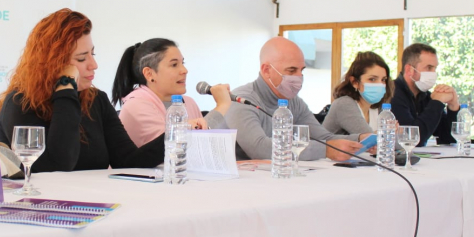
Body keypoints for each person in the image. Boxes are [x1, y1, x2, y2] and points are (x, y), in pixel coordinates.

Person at [0, 9, 164, 172]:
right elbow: (57, 165)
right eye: (82, 58)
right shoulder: (20, 102)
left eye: (93, 54)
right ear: (54, 63)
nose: (93, 65)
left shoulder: (96, 100)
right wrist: (65, 87)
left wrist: (178, 135)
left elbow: (127, 160)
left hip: (92, 199)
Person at [225, 37, 368, 161]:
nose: (299, 77)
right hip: (238, 185)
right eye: (292, 70)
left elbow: (323, 138)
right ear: (267, 70)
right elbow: (259, 148)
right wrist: (325, 150)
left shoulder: (294, 102)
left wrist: (361, 140)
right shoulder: (241, 100)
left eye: (302, 70)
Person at [111, 38, 231, 147]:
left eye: (182, 63)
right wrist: (222, 106)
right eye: (174, 65)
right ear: (149, 74)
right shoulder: (136, 105)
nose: (184, 70)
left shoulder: (189, 103)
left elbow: (204, 150)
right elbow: (173, 147)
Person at [390, 43, 459, 146]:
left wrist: (453, 106)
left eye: (435, 68)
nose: (434, 73)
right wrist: (437, 103)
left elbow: (448, 139)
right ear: (410, 70)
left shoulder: (426, 96)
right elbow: (412, 140)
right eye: (429, 68)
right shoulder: (392, 93)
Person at [323, 51, 394, 135]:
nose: (380, 84)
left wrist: (390, 133)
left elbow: (398, 141)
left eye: (383, 80)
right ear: (355, 82)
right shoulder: (344, 104)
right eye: (372, 79)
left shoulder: (376, 108)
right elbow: (368, 139)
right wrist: (388, 133)